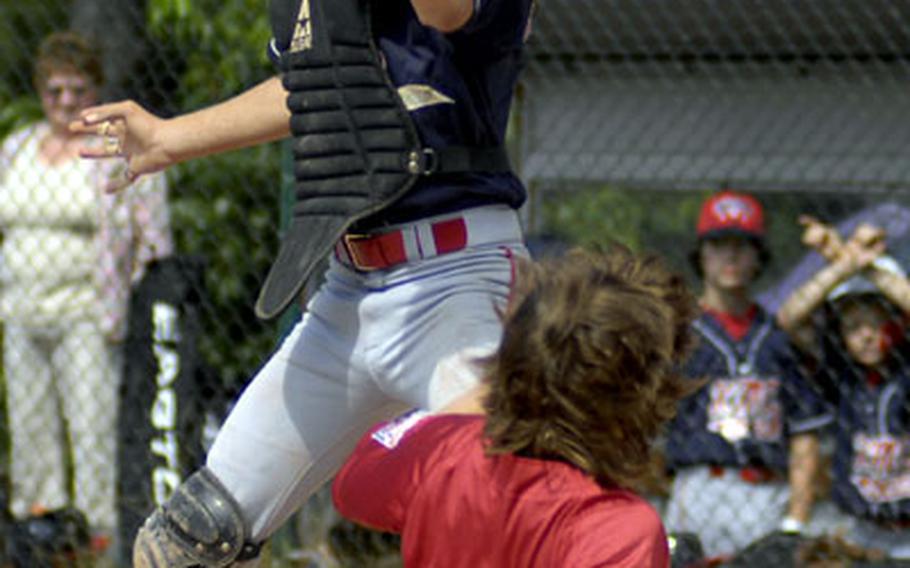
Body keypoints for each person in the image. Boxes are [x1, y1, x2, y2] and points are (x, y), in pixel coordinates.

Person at [71, 1, 535, 565]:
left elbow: (445, 11)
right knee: (190, 540)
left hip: (456, 284)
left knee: (491, 509)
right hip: (349, 290)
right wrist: (172, 139)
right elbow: (310, 89)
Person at [332, 246, 699, 567]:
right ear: (636, 400)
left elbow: (352, 484)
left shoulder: (446, 452)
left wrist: (483, 397)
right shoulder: (615, 526)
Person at [0, 31, 172, 545]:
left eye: (78, 89)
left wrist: (135, 292)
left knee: (91, 425)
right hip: (20, 307)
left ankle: (95, 533)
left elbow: (154, 237)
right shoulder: (15, 150)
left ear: (95, 90)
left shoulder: (114, 151)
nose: (66, 101)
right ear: (41, 91)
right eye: (55, 90)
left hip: (87, 311)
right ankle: (39, 527)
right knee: (30, 428)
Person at [662, 190, 831, 560]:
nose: (731, 255)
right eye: (719, 244)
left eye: (744, 245)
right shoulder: (681, 335)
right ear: (701, 255)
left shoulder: (778, 336)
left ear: (759, 257)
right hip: (700, 485)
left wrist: (796, 521)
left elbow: (805, 431)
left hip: (768, 491)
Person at [776, 217, 910, 559]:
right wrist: (845, 263)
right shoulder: (841, 372)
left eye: (875, 323)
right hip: (858, 526)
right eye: (853, 327)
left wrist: (871, 270)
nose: (865, 335)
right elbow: (790, 316)